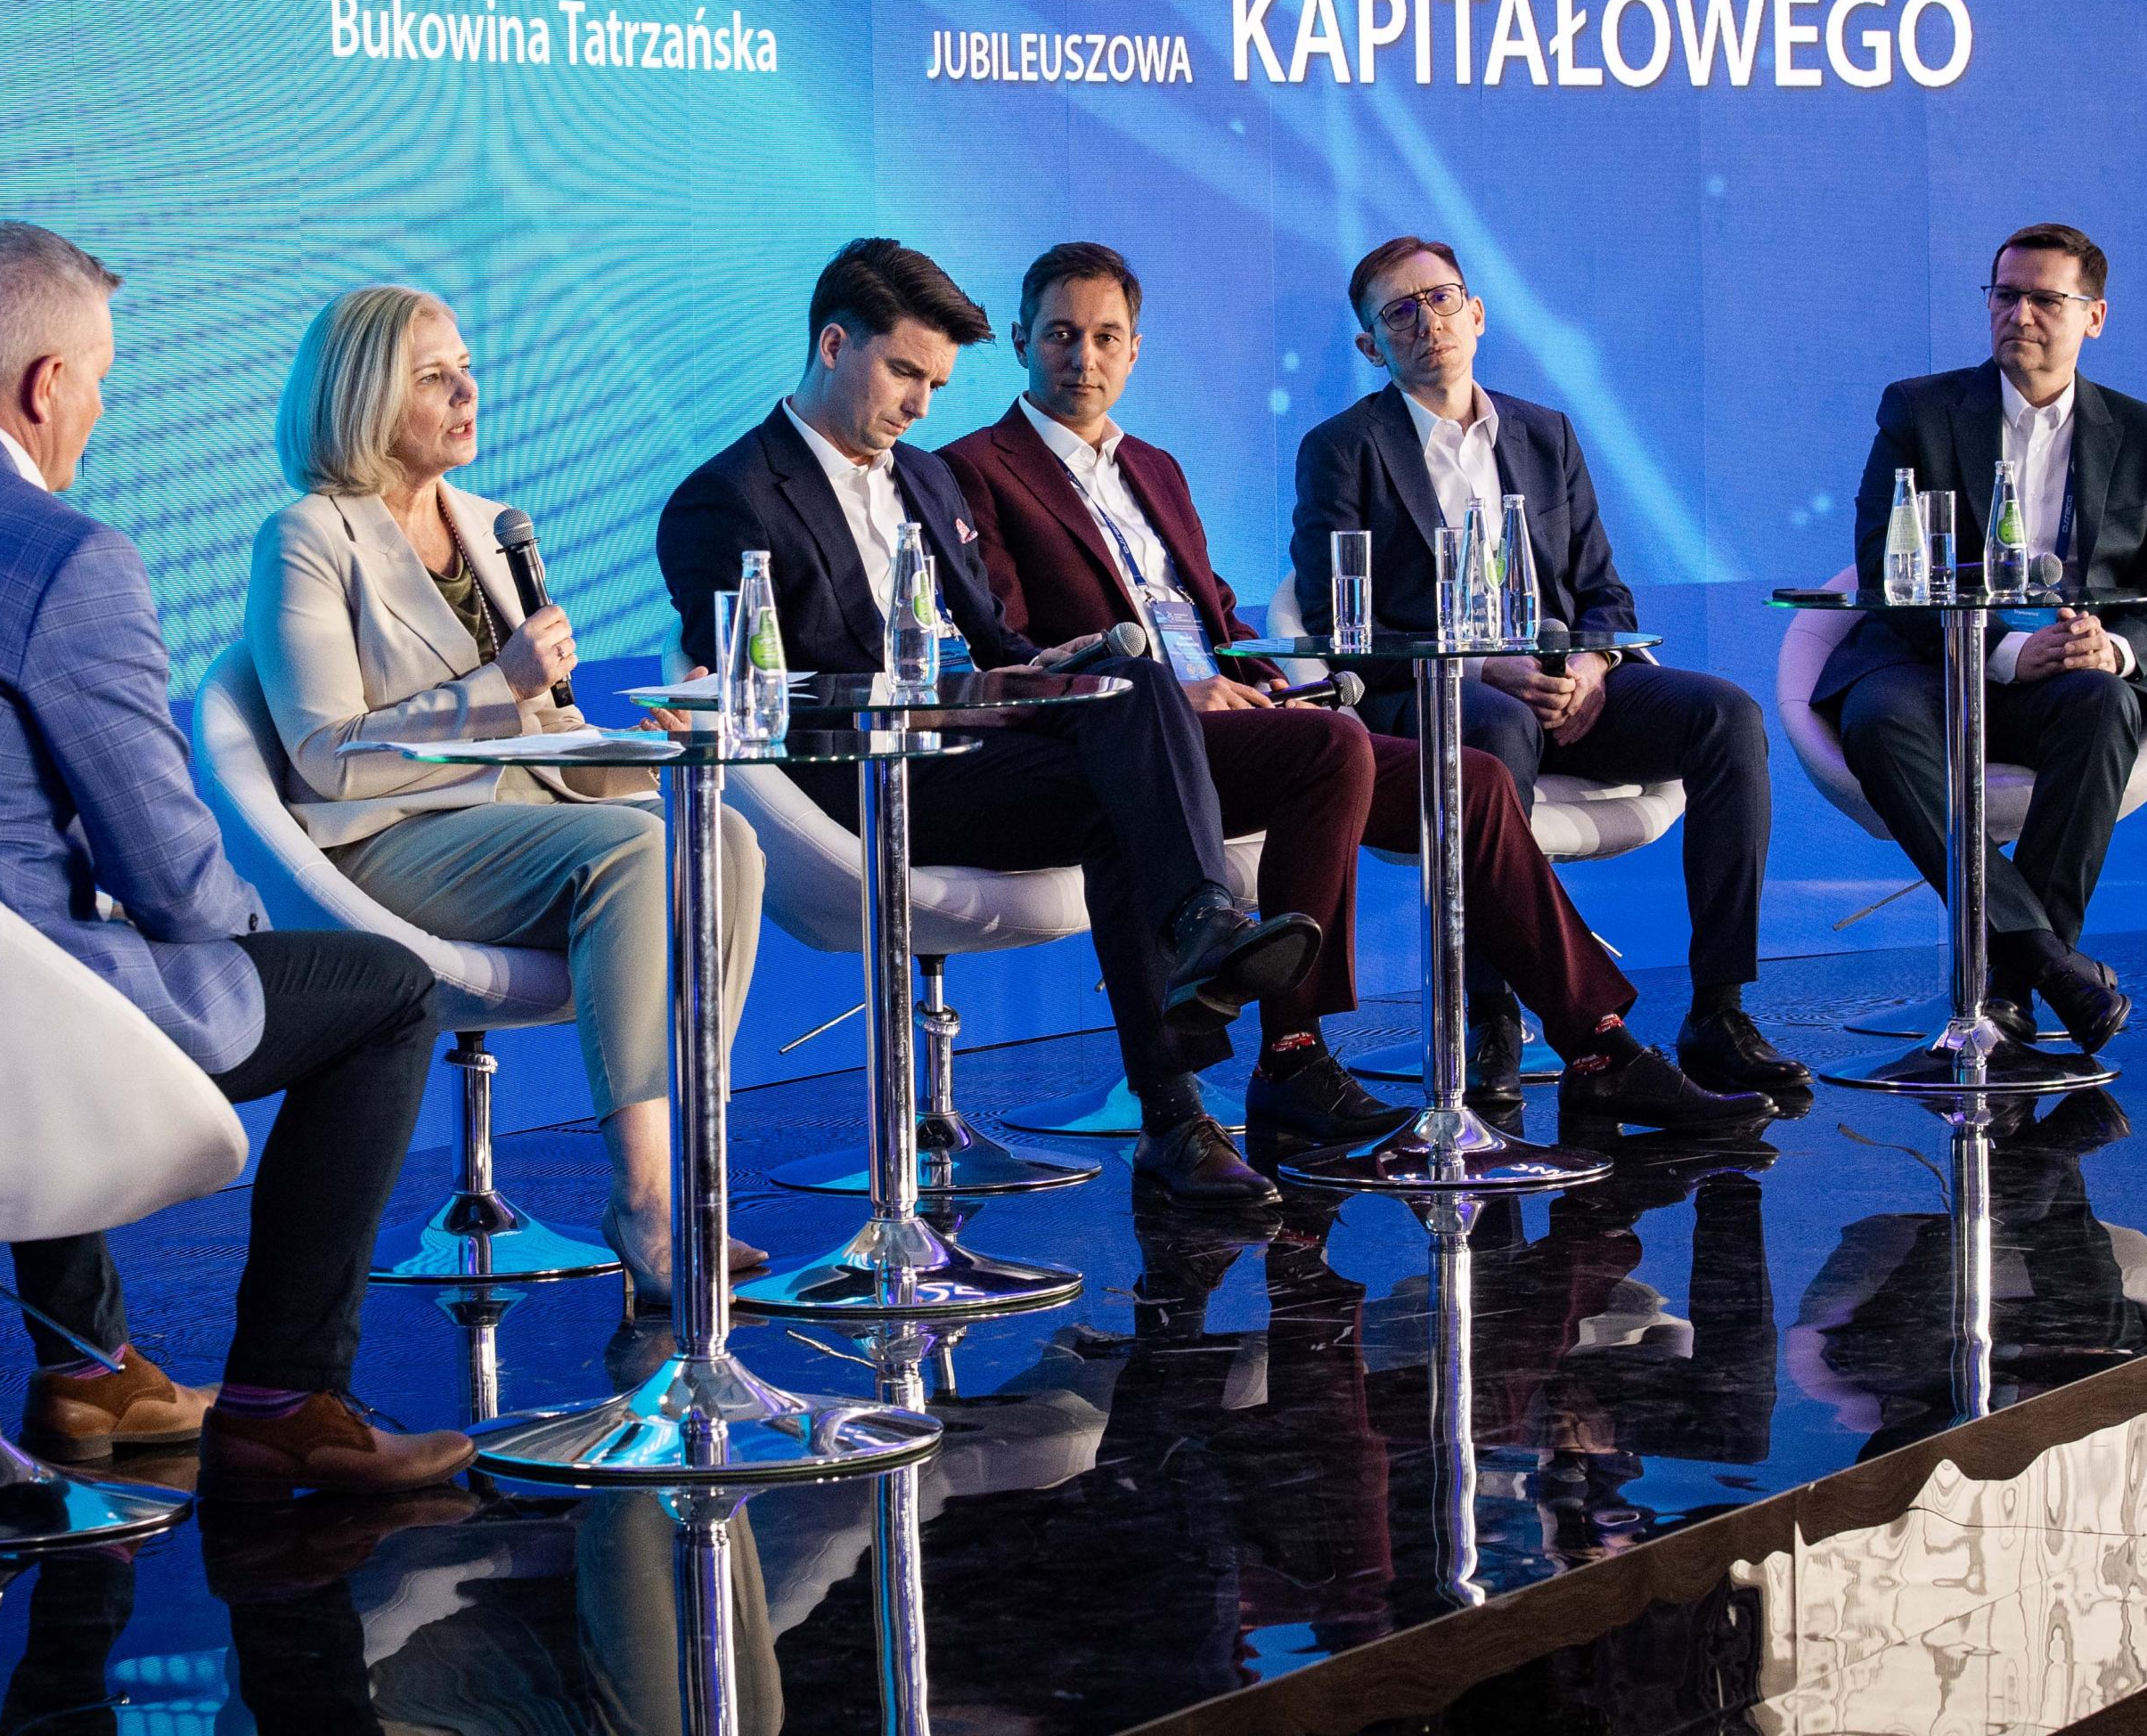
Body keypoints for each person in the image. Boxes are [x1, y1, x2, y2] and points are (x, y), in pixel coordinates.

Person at [0, 219, 470, 1500]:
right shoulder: (64, 556)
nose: (104, 411)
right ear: (45, 384)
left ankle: (85, 1365)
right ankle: (286, 1398)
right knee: (387, 992)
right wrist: (254, 944)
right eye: (104, 380)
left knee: (30, 927)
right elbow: (174, 871)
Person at [944, 241, 1768, 1137]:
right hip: (1127, 736)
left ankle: (1601, 1048)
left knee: (1471, 781)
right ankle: (1295, 1053)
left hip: (1240, 721)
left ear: (1135, 350)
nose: (1085, 357)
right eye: (1061, 335)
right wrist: (1179, 695)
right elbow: (1014, 650)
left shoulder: (1155, 465)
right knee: (1351, 744)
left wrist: (1265, 683)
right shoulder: (974, 468)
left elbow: (1215, 611)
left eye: (1107, 336)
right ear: (1022, 341)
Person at [655, 238, 1327, 1210]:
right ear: (834, 345)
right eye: (905, 373)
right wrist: (944, 695)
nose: (922, 406)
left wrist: (1037, 666)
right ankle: (1192, 1002)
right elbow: (762, 697)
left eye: (935, 383)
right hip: (863, 773)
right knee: (1122, 782)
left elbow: (991, 637)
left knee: (1129, 676)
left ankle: (1182, 1064)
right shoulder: (727, 498)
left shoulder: (926, 478)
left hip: (977, 744)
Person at [243, 283, 768, 1308]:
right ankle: (646, 1204)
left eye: (467, 369)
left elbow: (545, 732)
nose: (467, 393)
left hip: (522, 824)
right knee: (633, 851)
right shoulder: (307, 537)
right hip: (388, 838)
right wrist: (499, 685)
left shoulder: (494, 526)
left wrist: (646, 746)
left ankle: (691, 1170)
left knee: (725, 841)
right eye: (433, 377)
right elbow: (324, 755)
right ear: (360, 395)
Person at [1291, 235, 1804, 1104]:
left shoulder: (1545, 432)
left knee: (1728, 717)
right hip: (1440, 701)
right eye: (1400, 312)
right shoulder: (1344, 447)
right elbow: (1338, 627)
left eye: (1441, 299)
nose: (1428, 321)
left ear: (1477, 314)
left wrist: (1595, 664)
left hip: (1570, 689)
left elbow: (1604, 591)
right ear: (1371, 347)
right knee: (1496, 728)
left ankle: (1719, 1010)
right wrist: (1484, 670)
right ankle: (1489, 1014)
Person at [1814, 223, 2147, 1052]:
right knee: (1876, 722)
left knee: (2103, 704)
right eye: (2005, 294)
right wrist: (2006, 653)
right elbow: (1884, 567)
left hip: (2066, 675)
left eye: (2044, 299)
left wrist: (2113, 650)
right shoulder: (1919, 409)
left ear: (2094, 316)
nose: (2019, 314)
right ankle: (2051, 968)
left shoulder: (2144, 433)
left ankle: (2010, 989)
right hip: (1929, 663)